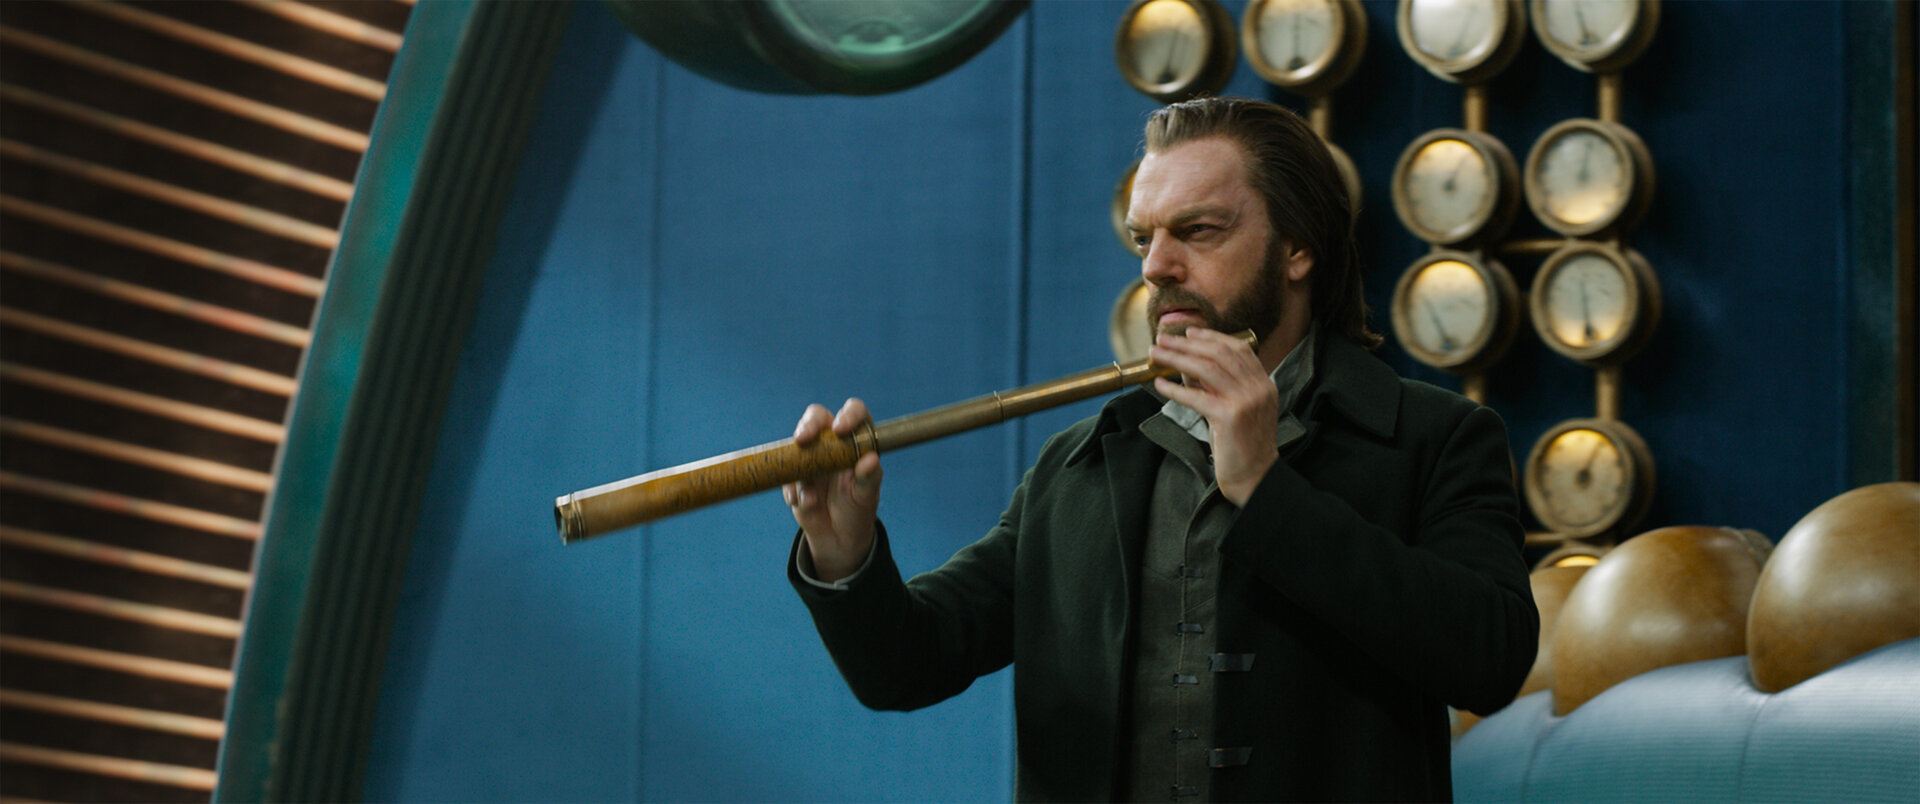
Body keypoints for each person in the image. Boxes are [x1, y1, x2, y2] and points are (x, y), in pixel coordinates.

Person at [782, 97, 1537, 802]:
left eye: (1197, 230)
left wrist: (1267, 489)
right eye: (1145, 238)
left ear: (1298, 248)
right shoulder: (1080, 463)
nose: (1155, 267)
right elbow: (907, 666)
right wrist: (845, 554)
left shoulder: (1436, 437)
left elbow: (1492, 662)